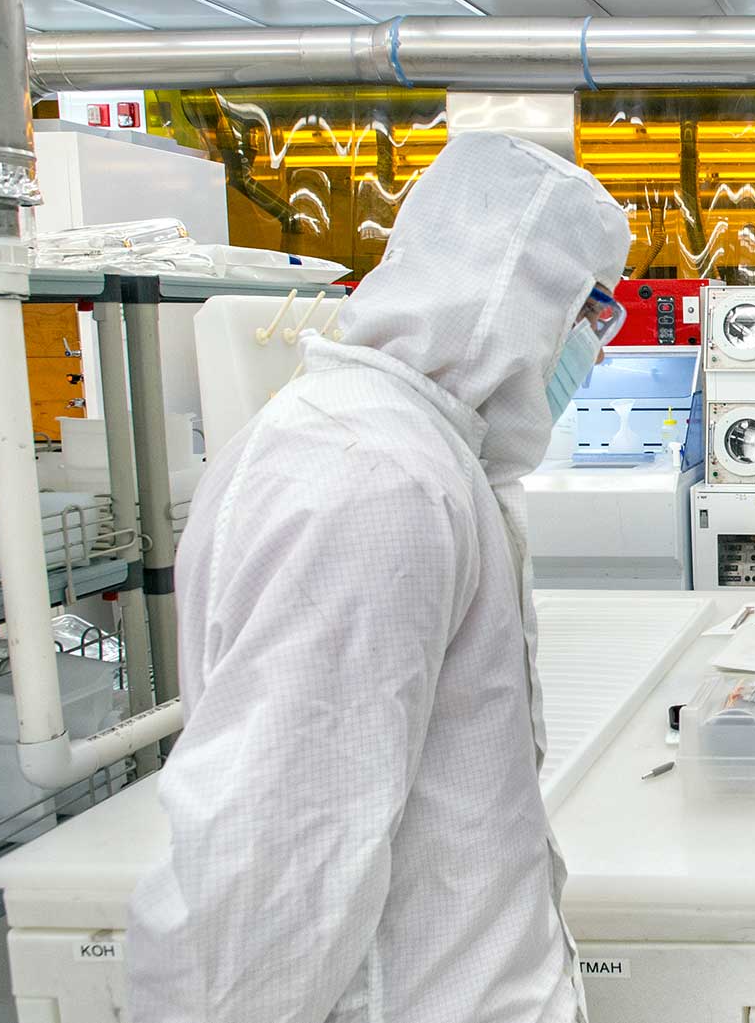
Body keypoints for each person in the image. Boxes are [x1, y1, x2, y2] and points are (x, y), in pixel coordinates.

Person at [128, 131, 631, 1023]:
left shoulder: (409, 447)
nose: (596, 343)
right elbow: (275, 864)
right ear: (518, 293)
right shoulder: (369, 477)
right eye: (594, 312)